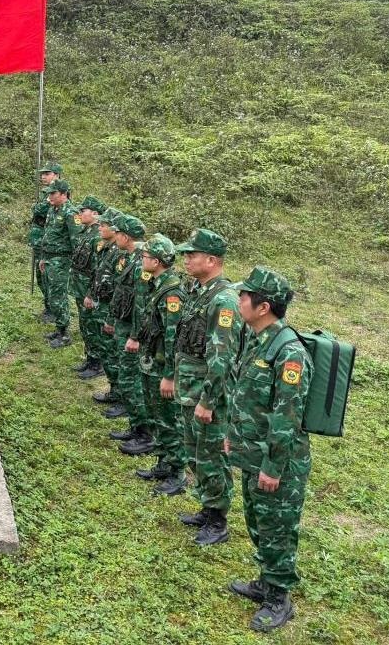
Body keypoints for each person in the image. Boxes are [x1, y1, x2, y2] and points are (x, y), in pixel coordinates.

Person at [227, 267, 309, 632]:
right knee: (258, 520)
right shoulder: (258, 339)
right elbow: (244, 395)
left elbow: (286, 416)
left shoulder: (289, 353)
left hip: (278, 460)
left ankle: (279, 598)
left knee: (277, 527)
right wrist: (232, 435)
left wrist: (273, 467)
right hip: (252, 451)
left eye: (245, 297)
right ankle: (265, 580)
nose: (239, 300)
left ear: (263, 307)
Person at [168, 228, 245, 546]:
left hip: (207, 393)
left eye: (192, 255)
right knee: (195, 451)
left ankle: (218, 520)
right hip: (191, 388)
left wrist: (208, 401)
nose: (186, 260)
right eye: (185, 255)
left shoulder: (224, 301)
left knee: (212, 455)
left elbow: (221, 358)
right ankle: (207, 506)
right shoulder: (200, 292)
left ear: (211, 260)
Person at [132, 234, 188, 494]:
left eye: (145, 256)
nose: (142, 259)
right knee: (157, 415)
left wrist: (170, 375)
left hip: (162, 367)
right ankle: (164, 463)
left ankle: (178, 473)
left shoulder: (172, 293)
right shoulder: (158, 285)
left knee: (168, 419)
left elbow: (173, 338)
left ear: (156, 262)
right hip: (152, 362)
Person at [107, 214, 150, 448]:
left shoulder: (141, 262)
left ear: (125, 236)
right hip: (124, 323)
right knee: (127, 376)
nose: (114, 238)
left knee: (132, 379)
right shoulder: (131, 258)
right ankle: (136, 426)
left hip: (133, 331)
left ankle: (144, 432)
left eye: (117, 234)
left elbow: (142, 304)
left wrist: (135, 336)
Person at [85, 209, 125, 416]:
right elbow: (98, 274)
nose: (99, 227)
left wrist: (112, 315)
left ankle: (122, 397)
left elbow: (121, 288)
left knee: (114, 353)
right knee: (107, 350)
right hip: (102, 303)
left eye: (104, 225)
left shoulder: (121, 254)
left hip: (112, 309)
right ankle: (114, 390)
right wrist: (91, 294)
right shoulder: (106, 248)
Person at [68, 196, 106, 380]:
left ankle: (97, 363)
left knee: (92, 325)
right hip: (80, 287)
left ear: (95, 214)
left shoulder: (98, 237)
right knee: (85, 324)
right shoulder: (86, 232)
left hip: (89, 290)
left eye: (83, 211)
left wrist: (91, 294)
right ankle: (90, 357)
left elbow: (99, 270)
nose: (80, 214)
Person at [38, 179, 77, 349]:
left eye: (53, 193)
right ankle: (59, 329)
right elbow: (48, 235)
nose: (50, 196)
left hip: (61, 261)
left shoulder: (71, 213)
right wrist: (43, 258)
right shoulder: (53, 210)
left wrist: (74, 265)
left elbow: (76, 241)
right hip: (49, 258)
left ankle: (65, 333)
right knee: (52, 295)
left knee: (58, 296)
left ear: (63, 194)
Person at [28, 162, 63, 323]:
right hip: (40, 240)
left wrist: (38, 207)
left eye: (47, 173)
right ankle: (49, 307)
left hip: (48, 241)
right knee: (41, 276)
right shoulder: (47, 192)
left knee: (48, 276)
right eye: (42, 174)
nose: (43, 176)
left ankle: (54, 310)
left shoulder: (57, 192)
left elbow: (40, 210)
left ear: (56, 175)